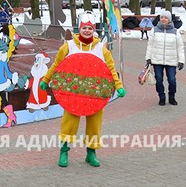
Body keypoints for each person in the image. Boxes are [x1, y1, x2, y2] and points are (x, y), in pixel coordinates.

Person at [41, 12, 125, 168]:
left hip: (95, 93)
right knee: (69, 122)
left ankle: (91, 152)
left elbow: (111, 69)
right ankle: (64, 150)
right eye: (84, 28)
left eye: (90, 28)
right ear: (79, 29)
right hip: (73, 92)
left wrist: (118, 86)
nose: (87, 31)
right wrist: (46, 79)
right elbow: (56, 64)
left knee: (94, 123)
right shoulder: (69, 46)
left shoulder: (102, 49)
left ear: (94, 30)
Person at [146, 10, 185, 106]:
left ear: (170, 20)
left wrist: (181, 60)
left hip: (171, 61)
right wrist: (148, 58)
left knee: (172, 80)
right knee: (158, 79)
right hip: (157, 60)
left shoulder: (175, 32)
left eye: (166, 18)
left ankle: (172, 97)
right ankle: (161, 97)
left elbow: (180, 47)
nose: (163, 19)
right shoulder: (154, 30)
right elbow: (150, 45)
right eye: (162, 17)